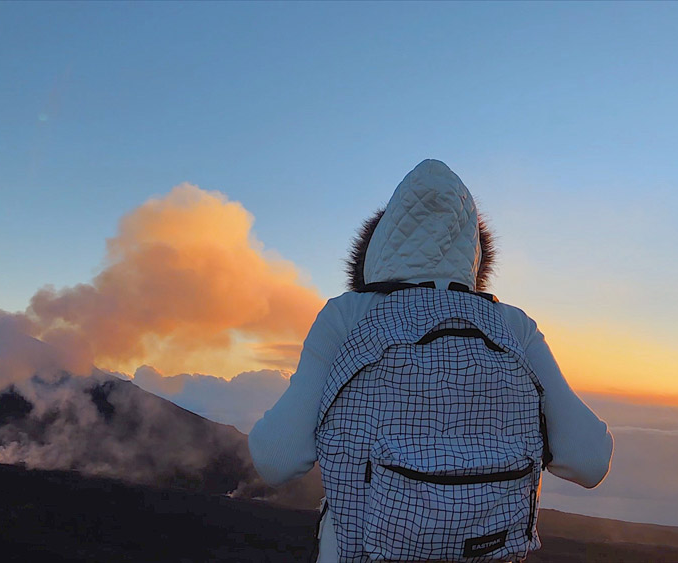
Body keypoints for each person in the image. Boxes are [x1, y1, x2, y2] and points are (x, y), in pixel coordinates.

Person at [249, 159, 614, 562]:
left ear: (378, 244)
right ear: (474, 250)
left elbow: (276, 459)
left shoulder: (348, 315)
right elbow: (589, 460)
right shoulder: (512, 325)